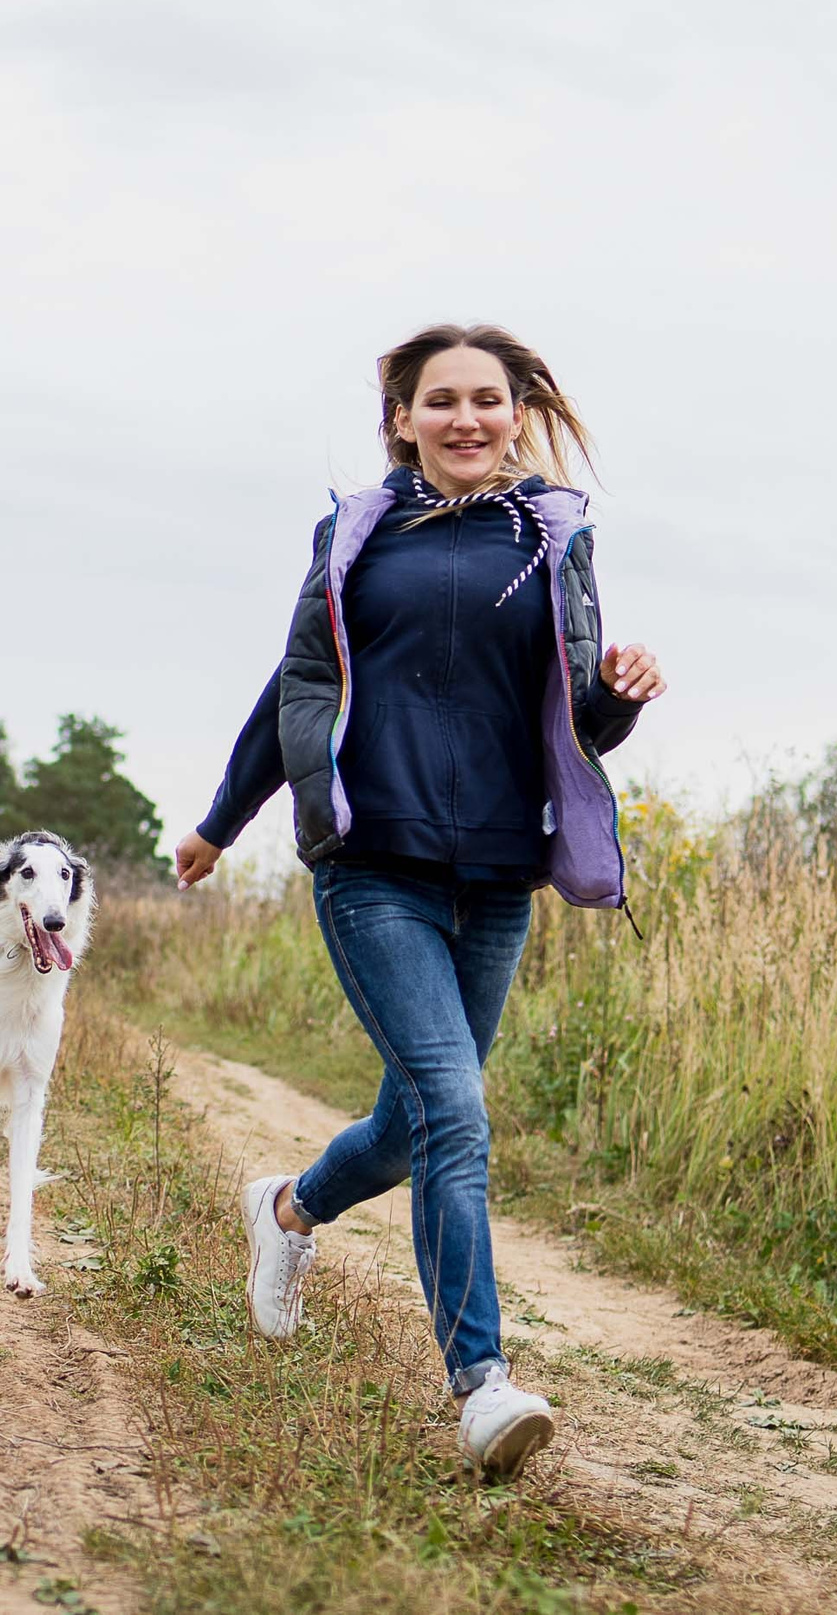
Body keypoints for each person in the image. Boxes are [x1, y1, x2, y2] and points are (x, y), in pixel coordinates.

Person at [173, 322, 666, 1476]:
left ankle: (288, 1209)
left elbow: (571, 715)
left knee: (411, 1124)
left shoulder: (552, 538)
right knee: (454, 1110)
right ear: (402, 420)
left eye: (485, 399)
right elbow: (297, 683)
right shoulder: (358, 533)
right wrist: (220, 821)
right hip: (372, 862)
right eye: (439, 400)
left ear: (515, 414)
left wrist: (619, 694)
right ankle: (481, 1385)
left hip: (498, 871)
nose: (465, 419)